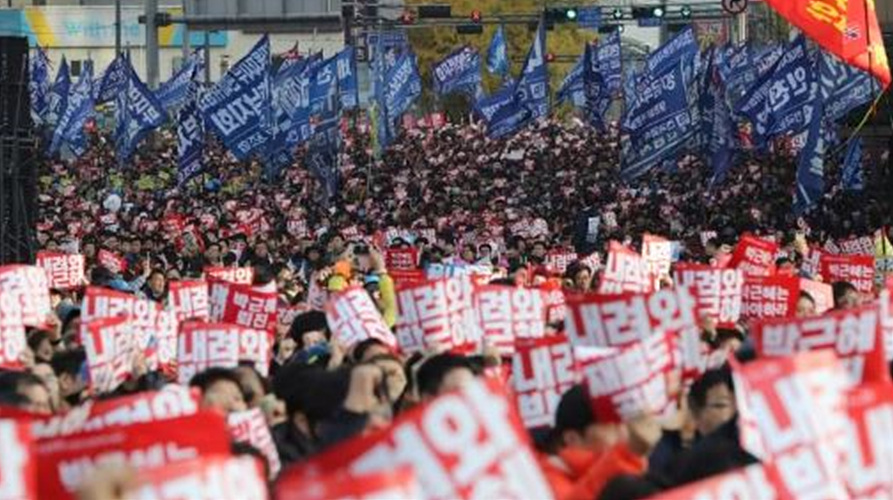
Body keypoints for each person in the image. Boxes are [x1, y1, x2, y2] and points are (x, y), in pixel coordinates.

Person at [539, 385, 661, 500]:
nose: (622, 431)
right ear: (572, 438)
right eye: (611, 425)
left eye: (624, 423)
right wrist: (624, 456)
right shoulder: (545, 481)